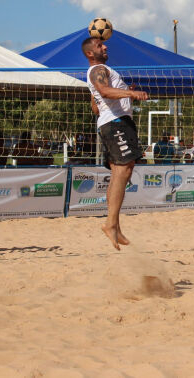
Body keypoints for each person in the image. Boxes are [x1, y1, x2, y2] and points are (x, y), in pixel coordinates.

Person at [82, 36, 148, 250]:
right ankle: (111, 224)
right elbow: (104, 92)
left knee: (119, 172)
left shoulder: (98, 73)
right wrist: (130, 93)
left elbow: (96, 106)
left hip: (112, 122)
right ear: (90, 53)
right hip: (115, 123)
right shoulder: (98, 70)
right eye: (100, 45)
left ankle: (115, 225)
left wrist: (124, 95)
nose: (105, 46)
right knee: (124, 170)